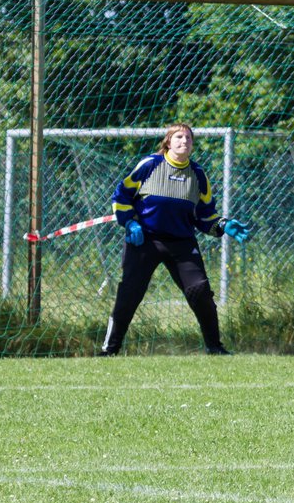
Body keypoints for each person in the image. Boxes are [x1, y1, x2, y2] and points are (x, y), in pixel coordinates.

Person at [101, 123, 249, 356]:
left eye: (189, 138)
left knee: (200, 291)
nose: (184, 141)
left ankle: (215, 348)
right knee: (129, 293)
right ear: (168, 141)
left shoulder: (198, 175)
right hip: (144, 241)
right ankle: (109, 350)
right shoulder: (149, 165)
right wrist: (129, 222)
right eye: (179, 137)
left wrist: (223, 224)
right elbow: (121, 195)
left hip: (181, 243)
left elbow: (205, 216)